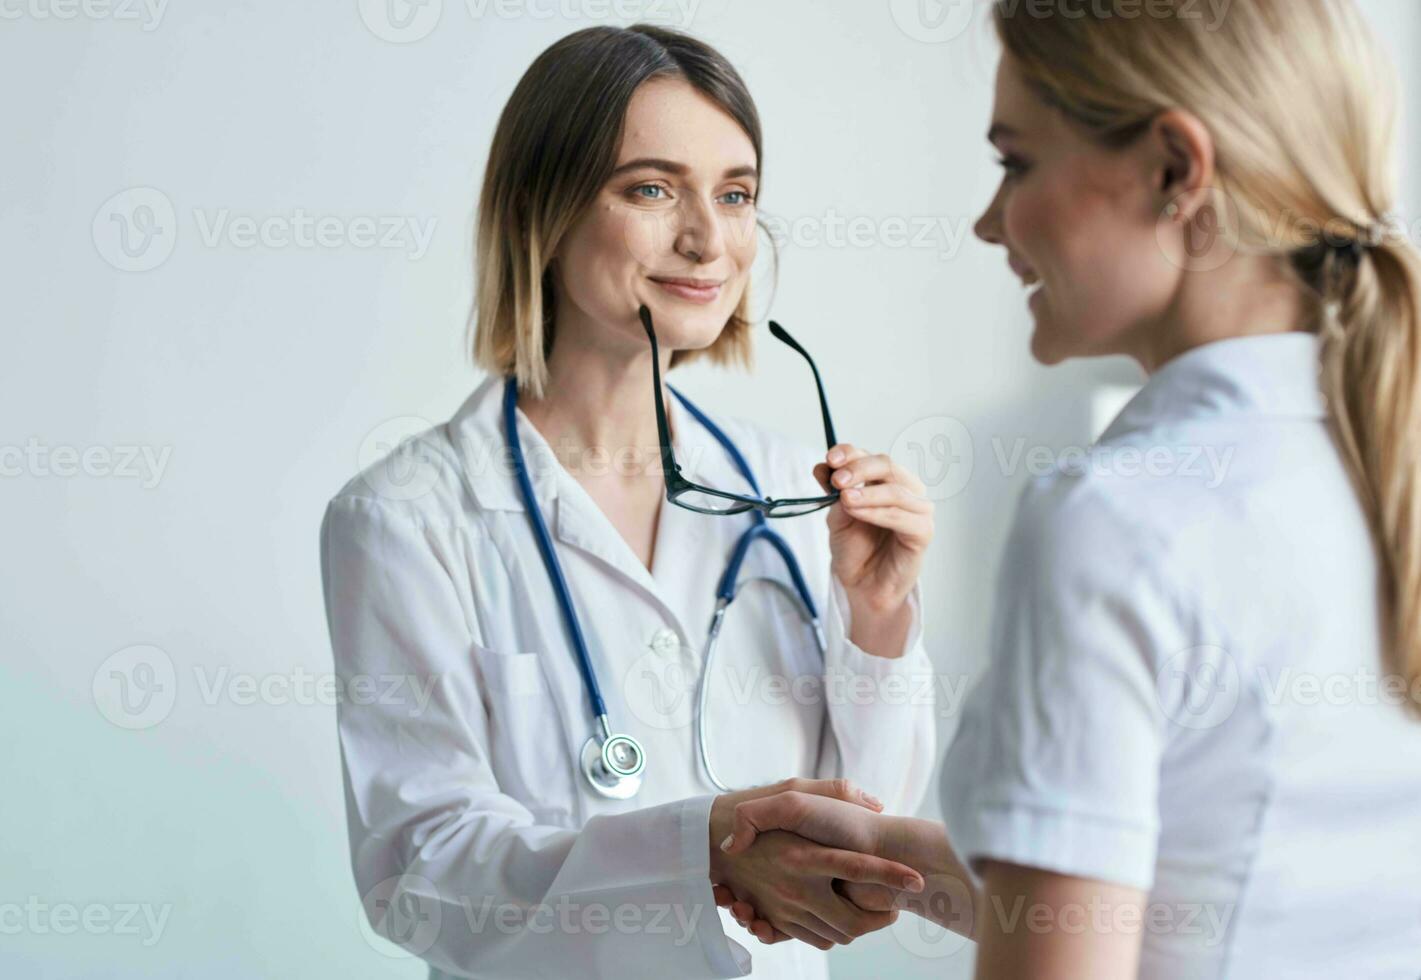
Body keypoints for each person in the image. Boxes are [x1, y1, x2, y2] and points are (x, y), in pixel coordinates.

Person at [714, 1, 1421, 976]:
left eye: (1015, 162)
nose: (987, 221)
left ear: (1174, 171)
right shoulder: (1379, 465)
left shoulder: (1116, 520)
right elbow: (1204, 891)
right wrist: (875, 853)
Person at [318, 23, 938, 980]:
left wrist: (880, 618)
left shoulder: (793, 492)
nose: (707, 238)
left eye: (734, 195)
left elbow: (872, 828)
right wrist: (697, 845)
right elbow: (420, 875)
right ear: (546, 207)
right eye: (651, 188)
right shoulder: (405, 519)